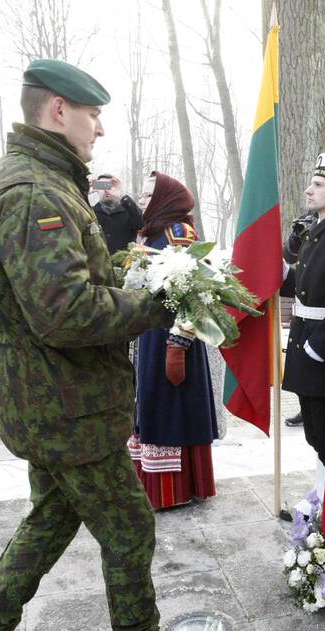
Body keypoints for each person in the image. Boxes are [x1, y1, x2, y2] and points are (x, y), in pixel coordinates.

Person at [0, 58, 206, 631]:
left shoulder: (41, 178)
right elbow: (65, 312)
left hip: (50, 398)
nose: (98, 129)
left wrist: (130, 270)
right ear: (58, 109)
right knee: (128, 523)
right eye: (93, 115)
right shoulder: (36, 190)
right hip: (65, 404)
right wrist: (156, 303)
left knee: (52, 517)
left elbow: (66, 282)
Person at [129, 171, 218, 509]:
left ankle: (175, 490)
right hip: (151, 333)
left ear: (166, 199)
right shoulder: (150, 231)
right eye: (142, 192)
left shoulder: (178, 232)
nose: (142, 198)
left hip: (174, 337)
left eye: (150, 193)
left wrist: (178, 343)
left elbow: (194, 289)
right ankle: (150, 484)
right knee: (152, 403)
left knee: (171, 409)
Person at [279, 153, 325, 513]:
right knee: (314, 433)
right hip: (305, 344)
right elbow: (308, 289)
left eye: (319, 185)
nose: (309, 190)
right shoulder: (318, 229)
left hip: (322, 353)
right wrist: (282, 275)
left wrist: (317, 347)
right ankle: (323, 495)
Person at [92, 173, 143, 255]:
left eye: (110, 185)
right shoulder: (91, 213)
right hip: (99, 265)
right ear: (96, 189)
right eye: (101, 186)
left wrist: (123, 196)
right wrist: (83, 194)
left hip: (126, 264)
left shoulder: (129, 210)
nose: (106, 190)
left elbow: (141, 225)